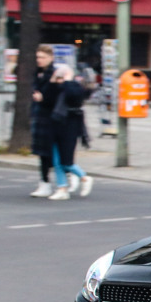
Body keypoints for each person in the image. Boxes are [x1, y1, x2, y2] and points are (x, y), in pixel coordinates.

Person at [45, 64, 93, 200]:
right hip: (55, 125)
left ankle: (83, 177)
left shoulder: (74, 87)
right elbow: (47, 97)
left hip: (69, 126)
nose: (59, 80)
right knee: (56, 161)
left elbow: (74, 96)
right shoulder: (56, 88)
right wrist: (53, 80)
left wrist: (67, 80)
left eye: (61, 77)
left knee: (66, 160)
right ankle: (62, 187)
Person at [30, 45, 57, 197]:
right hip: (39, 115)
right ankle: (44, 182)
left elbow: (57, 95)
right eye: (38, 57)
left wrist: (44, 98)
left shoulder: (54, 74)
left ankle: (70, 175)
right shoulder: (37, 74)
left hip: (50, 117)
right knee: (42, 153)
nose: (39, 60)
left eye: (42, 57)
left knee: (51, 152)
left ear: (51, 58)